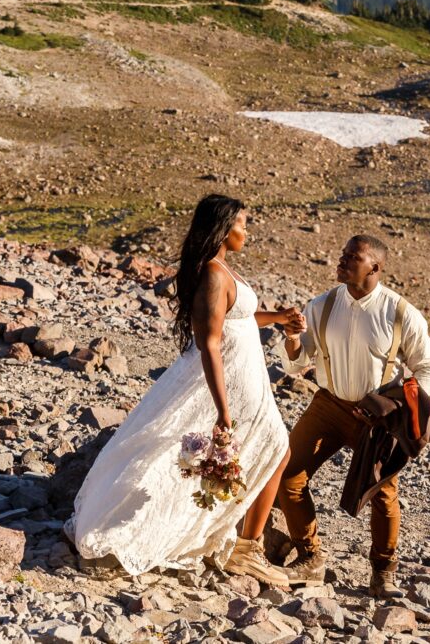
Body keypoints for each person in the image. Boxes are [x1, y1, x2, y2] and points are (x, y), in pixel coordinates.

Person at [68, 194, 300, 585]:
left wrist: (276, 318)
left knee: (271, 448)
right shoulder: (212, 273)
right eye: (242, 224)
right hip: (235, 383)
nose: (247, 232)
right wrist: (223, 410)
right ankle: (247, 548)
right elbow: (210, 341)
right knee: (273, 447)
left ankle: (245, 543)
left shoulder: (223, 270)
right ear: (224, 228)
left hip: (249, 377)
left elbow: (236, 318)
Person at [278, 234, 430, 597]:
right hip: (329, 405)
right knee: (288, 474)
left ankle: (383, 572)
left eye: (353, 257)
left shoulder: (400, 313)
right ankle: (311, 556)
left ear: (375, 268)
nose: (342, 260)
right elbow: (297, 363)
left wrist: (397, 406)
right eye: (343, 253)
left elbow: (428, 368)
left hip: (378, 418)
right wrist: (291, 340)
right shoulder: (321, 305)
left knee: (382, 493)